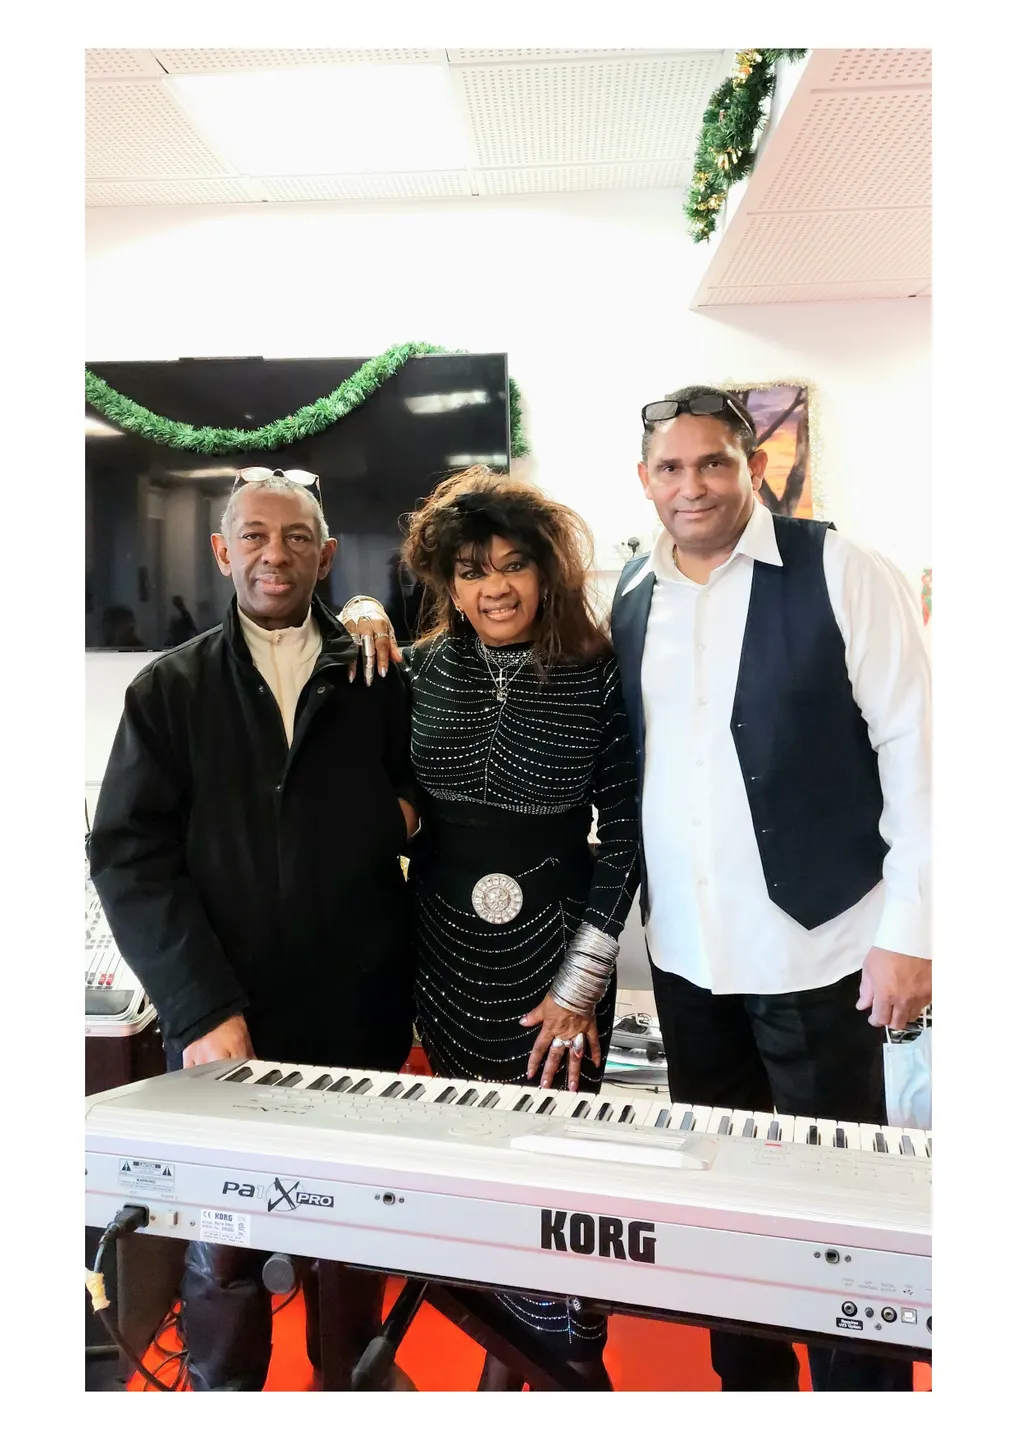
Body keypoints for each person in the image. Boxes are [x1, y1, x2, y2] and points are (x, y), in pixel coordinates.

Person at [611, 386, 931, 1392]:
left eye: (714, 462)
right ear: (645, 480)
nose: (693, 485)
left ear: (754, 468)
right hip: (689, 963)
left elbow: (920, 751)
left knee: (842, 1213)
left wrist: (913, 929)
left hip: (823, 951)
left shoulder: (842, 569)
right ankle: (749, 1393)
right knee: (723, 1209)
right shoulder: (632, 591)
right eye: (671, 467)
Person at [89, 471, 418, 1391]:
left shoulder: (378, 675)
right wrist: (199, 1010)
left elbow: (420, 791)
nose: (276, 554)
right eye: (255, 536)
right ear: (222, 551)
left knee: (348, 1236)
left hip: (355, 1012)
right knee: (223, 1243)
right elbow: (129, 858)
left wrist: (390, 819)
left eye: (297, 537)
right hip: (223, 1019)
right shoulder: (169, 689)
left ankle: (347, 1391)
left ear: (325, 554)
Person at [342, 468, 639, 1390]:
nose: (494, 588)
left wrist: (581, 984)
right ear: (446, 580)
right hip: (443, 955)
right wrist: (356, 607)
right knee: (472, 1167)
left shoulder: (599, 675)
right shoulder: (416, 669)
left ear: (548, 571)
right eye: (471, 571)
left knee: (561, 1175)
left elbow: (626, 837)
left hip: (557, 961)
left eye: (514, 565)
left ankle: (566, 1365)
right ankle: (500, 1362)